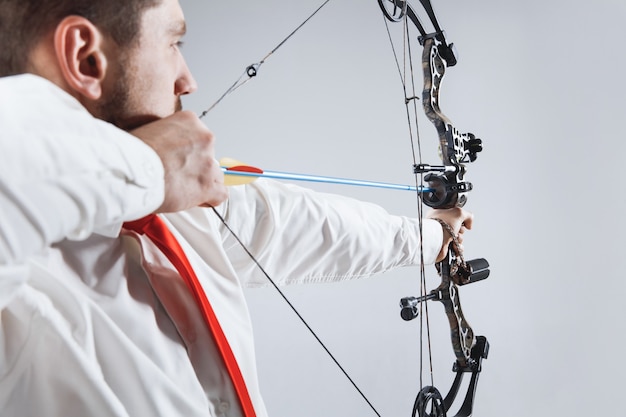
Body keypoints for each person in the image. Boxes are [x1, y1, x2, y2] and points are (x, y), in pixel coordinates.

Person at [0, 0, 473, 416]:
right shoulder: (20, 295)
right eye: (173, 42)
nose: (188, 79)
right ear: (87, 56)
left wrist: (432, 237)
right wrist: (145, 167)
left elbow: (296, 227)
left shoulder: (171, 220)